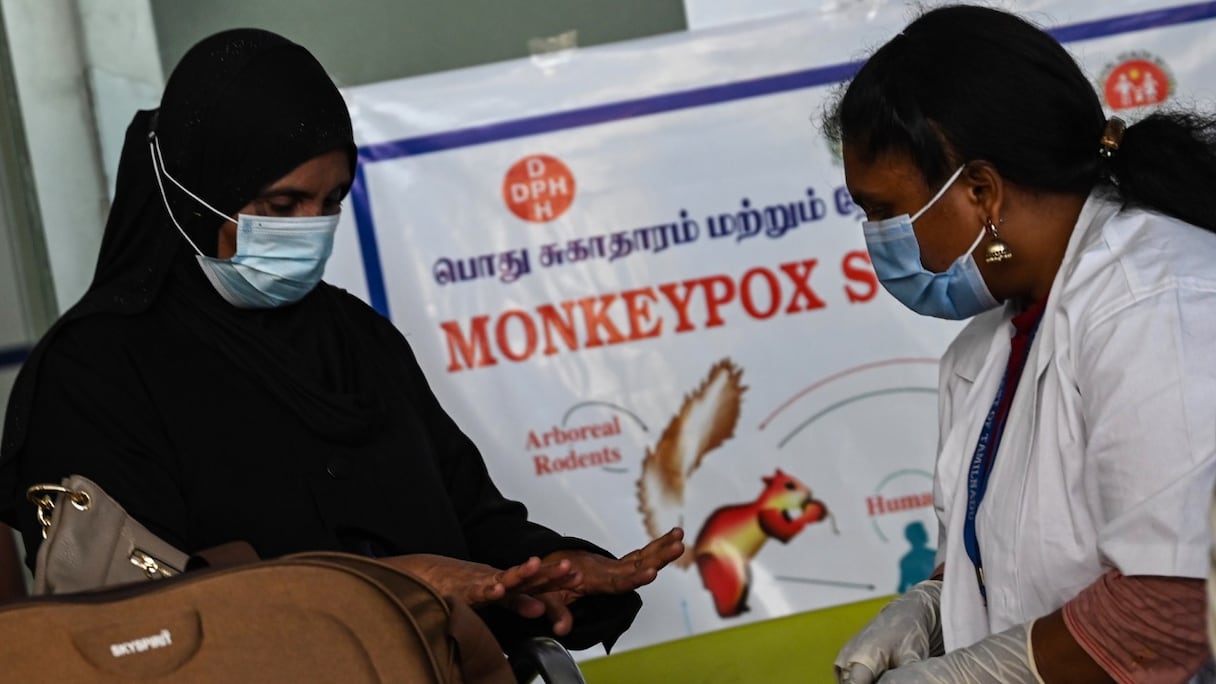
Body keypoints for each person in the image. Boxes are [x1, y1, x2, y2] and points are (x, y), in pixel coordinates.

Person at [0, 28, 683, 653]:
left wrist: (549, 576)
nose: (311, 229)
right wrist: (385, 588)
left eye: (331, 202)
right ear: (190, 192)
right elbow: (121, 619)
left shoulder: (359, 341)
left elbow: (472, 524)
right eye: (281, 206)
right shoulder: (94, 374)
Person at [826, 6, 1215, 683]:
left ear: (980, 191)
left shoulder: (1158, 304)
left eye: (884, 211)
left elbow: (1176, 604)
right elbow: (1019, 552)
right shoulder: (991, 342)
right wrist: (934, 605)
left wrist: (967, 676)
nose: (878, 241)